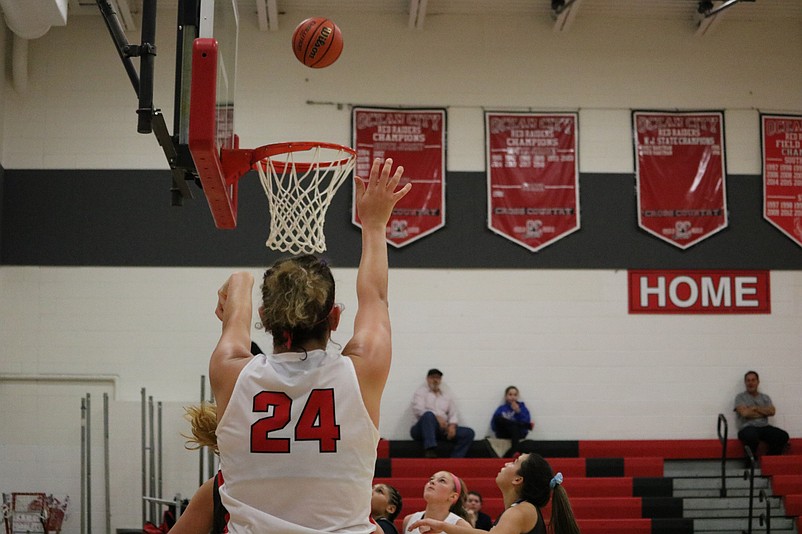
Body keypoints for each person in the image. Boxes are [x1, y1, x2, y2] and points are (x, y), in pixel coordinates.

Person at [204, 157, 411, 533]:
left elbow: (236, 304)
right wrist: (375, 224)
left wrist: (239, 281)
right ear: (334, 318)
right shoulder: (362, 370)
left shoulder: (230, 369)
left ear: (264, 319)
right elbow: (376, 297)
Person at [408, 453, 581, 534]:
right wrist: (443, 526)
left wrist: (444, 526)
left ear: (518, 479)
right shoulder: (518, 510)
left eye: (514, 462)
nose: (506, 464)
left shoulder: (522, 511)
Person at [410, 368, 476, 458]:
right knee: (428, 415)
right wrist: (436, 417)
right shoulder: (420, 393)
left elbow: (453, 413)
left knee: (468, 433)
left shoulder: (446, 396)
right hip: (421, 429)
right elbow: (418, 410)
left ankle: (455, 459)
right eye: (433, 377)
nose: (435, 380)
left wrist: (452, 426)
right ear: (427, 379)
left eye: (438, 378)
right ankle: (430, 450)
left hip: (440, 429)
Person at [734, 370, 789, 460]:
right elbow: (744, 413)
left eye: (753, 380)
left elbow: (772, 411)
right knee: (751, 436)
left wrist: (755, 408)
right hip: (747, 427)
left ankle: (770, 460)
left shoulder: (765, 397)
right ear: (745, 382)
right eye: (748, 380)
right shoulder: (740, 397)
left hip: (764, 426)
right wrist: (763, 412)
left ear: (758, 382)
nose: (750, 383)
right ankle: (750, 462)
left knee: (782, 436)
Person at [402, 471, 472, 534]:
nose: (432, 482)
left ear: (453, 496)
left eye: (442, 480)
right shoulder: (408, 520)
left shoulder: (461, 526)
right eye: (431, 479)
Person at [491, 386, 534, 457]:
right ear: (506, 396)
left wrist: (518, 412)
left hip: (518, 433)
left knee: (514, 427)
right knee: (499, 418)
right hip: (504, 433)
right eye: (510, 394)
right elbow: (494, 424)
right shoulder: (501, 408)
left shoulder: (522, 408)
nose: (512, 397)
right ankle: (518, 424)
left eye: (515, 395)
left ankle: (514, 451)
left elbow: (526, 421)